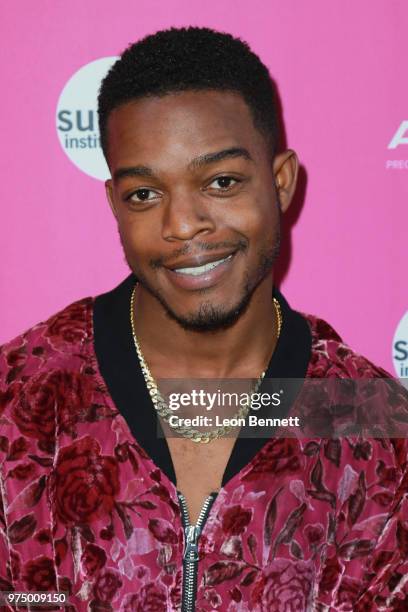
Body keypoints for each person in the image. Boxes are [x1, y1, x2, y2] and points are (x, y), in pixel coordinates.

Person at [0, 27, 407, 612]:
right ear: (115, 204)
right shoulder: (21, 400)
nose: (183, 225)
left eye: (221, 182)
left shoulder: (373, 424)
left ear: (281, 182)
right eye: (145, 193)